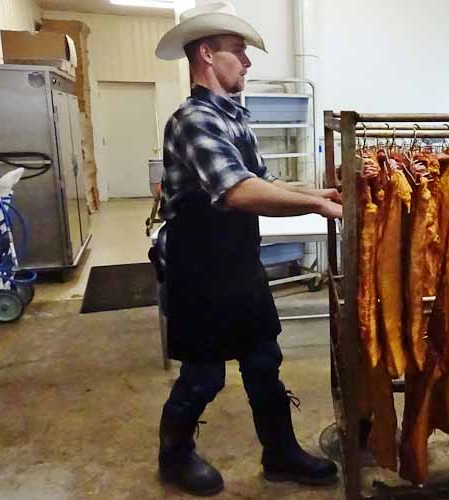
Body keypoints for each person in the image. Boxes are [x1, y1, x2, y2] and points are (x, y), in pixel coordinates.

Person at [153, 2, 341, 496]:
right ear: (208, 54)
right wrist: (316, 210)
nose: (248, 62)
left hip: (238, 262)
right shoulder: (192, 119)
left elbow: (261, 179)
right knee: (203, 377)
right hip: (200, 268)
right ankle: (173, 457)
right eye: (239, 52)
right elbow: (237, 192)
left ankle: (280, 454)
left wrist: (317, 193)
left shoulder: (233, 118)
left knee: (263, 361)